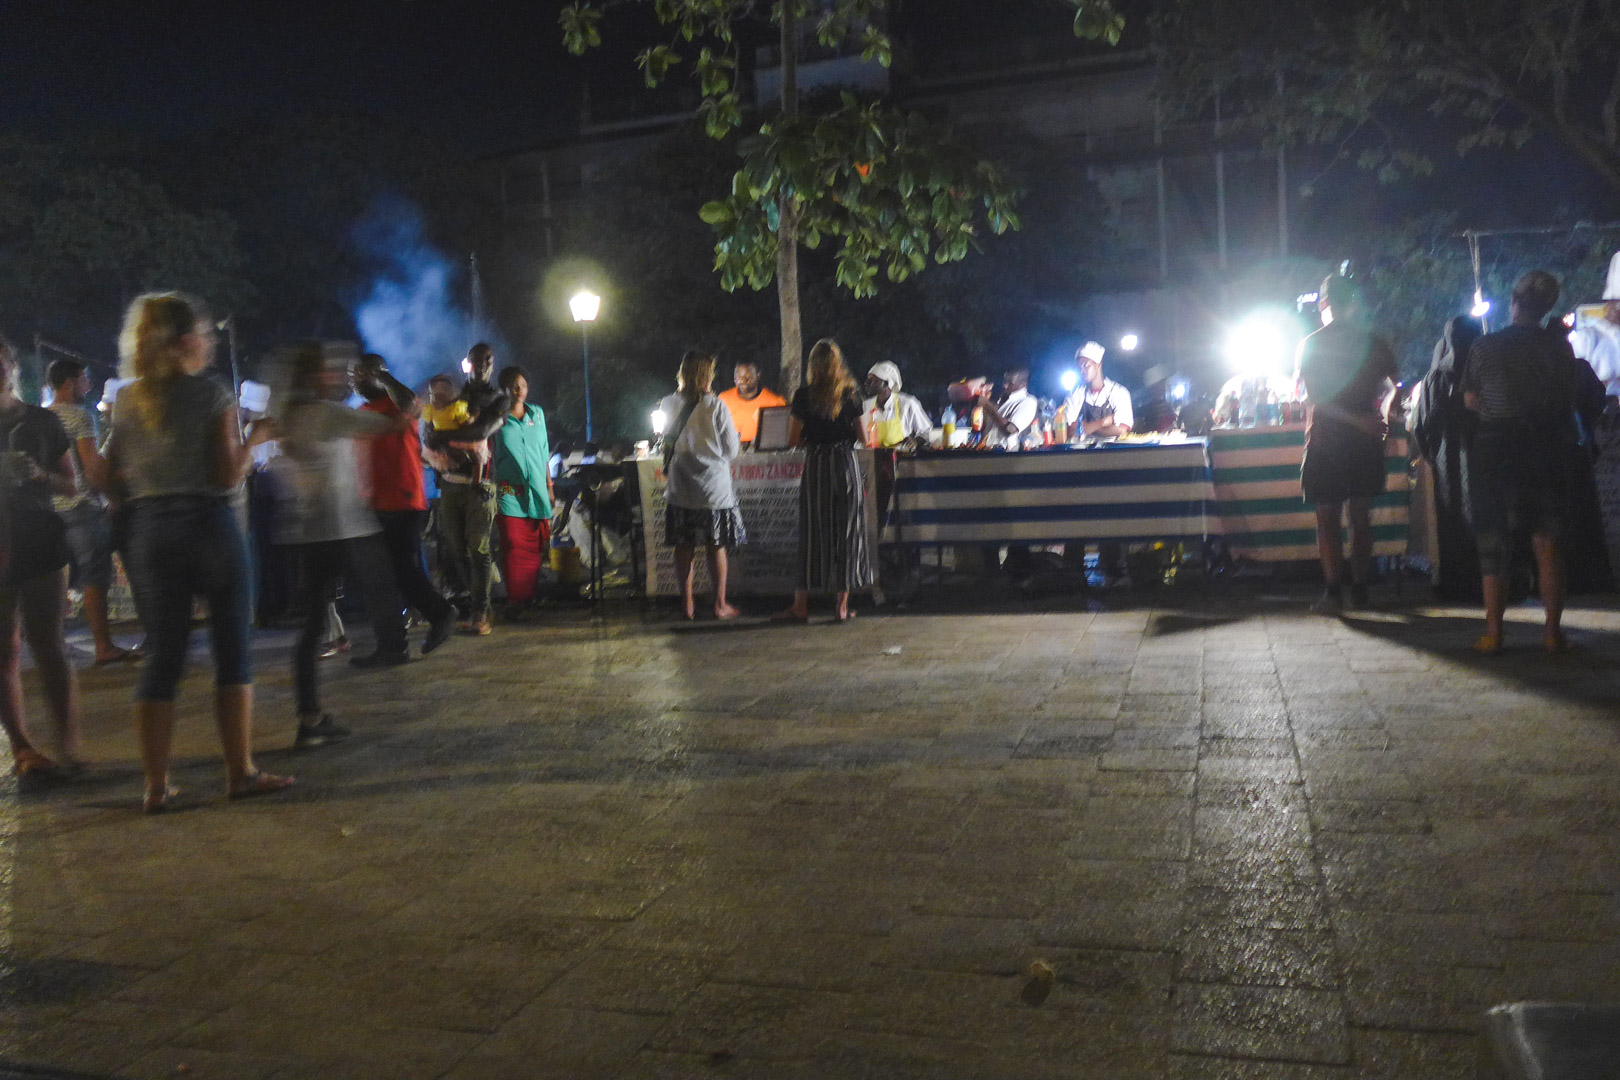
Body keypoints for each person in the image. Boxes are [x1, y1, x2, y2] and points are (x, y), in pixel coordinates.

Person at [104, 294, 291, 811]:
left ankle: (156, 785)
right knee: (232, 649)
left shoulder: (127, 400)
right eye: (205, 333)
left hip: (150, 532)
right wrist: (256, 438)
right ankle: (240, 772)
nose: (209, 342)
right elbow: (227, 474)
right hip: (209, 526)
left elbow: (106, 473)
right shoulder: (210, 395)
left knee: (163, 656)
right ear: (185, 341)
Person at [274, 341, 412, 748]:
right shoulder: (327, 415)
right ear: (312, 376)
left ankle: (309, 714)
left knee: (312, 625)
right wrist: (390, 387)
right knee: (378, 585)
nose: (335, 376)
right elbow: (395, 424)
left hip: (311, 529)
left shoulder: (292, 416)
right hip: (340, 528)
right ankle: (310, 717)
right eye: (326, 370)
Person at [1463, 270, 1598, 655]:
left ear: (1514, 301)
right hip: (1549, 447)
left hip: (1497, 450)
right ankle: (1553, 633)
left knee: (1495, 543)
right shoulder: (1561, 349)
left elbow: (1471, 400)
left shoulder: (1486, 347)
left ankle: (1494, 633)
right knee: (1548, 541)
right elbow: (1571, 396)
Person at [0, 336, 83, 782]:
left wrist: (38, 474)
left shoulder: (42, 421)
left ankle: (68, 743)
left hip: (39, 539)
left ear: (11, 366)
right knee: (3, 650)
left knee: (48, 643)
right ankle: (23, 748)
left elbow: (72, 485)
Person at [1296, 274, 1399, 613]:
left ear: (1323, 304)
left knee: (1327, 516)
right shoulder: (1373, 341)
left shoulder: (1312, 343)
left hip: (1327, 440)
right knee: (1360, 515)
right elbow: (1394, 387)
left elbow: (1315, 399)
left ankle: (1333, 591)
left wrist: (1369, 420)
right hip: (1362, 441)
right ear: (1353, 303)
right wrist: (1378, 420)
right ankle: (1359, 588)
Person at [354, 353, 454, 654]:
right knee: (390, 575)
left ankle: (440, 613)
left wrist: (382, 376)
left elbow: (411, 401)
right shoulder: (364, 410)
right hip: (377, 502)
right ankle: (393, 644)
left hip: (402, 500)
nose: (354, 380)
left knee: (403, 572)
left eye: (359, 374)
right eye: (352, 375)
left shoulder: (398, 405)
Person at [45, 358, 134, 664]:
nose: (87, 385)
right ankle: (103, 645)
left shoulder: (41, 418)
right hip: (81, 508)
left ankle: (54, 644)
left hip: (49, 511)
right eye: (83, 379)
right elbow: (92, 466)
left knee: (57, 578)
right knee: (95, 576)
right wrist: (113, 496)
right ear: (69, 383)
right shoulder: (80, 417)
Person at [779, 339, 871, 621]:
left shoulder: (803, 396)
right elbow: (864, 439)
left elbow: (793, 440)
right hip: (845, 464)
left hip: (817, 465)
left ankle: (801, 605)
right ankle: (841, 607)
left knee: (813, 531)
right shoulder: (851, 394)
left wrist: (813, 437)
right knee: (847, 532)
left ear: (812, 366)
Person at [423, 344, 509, 636]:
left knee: (479, 548)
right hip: (450, 483)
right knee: (458, 550)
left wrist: (440, 436)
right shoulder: (458, 394)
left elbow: (481, 431)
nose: (482, 365)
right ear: (469, 364)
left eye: (487, 360)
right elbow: (431, 422)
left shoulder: (499, 398)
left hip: (481, 484)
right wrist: (433, 436)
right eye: (477, 360)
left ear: (492, 364)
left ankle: (481, 612)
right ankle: (479, 602)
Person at [658, 350, 744, 620]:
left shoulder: (667, 404)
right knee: (715, 546)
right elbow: (732, 450)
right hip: (713, 491)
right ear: (707, 376)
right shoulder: (716, 405)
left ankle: (688, 606)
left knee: (684, 547)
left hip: (681, 488)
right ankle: (719, 605)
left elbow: (664, 442)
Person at [491, 365, 554, 615]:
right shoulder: (496, 419)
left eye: (523, 385)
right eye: (514, 386)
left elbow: (544, 451)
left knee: (536, 545)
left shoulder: (537, 414)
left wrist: (550, 485)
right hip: (508, 491)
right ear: (504, 389)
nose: (519, 390)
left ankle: (528, 598)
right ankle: (516, 600)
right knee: (513, 544)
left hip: (537, 490)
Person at [1063, 342, 1134, 440]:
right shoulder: (1074, 395)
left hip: (1113, 451)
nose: (1082, 370)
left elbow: (1121, 430)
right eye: (1079, 367)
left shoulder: (1119, 392)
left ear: (1098, 365)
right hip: (1081, 452)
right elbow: (1070, 429)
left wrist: (1086, 428)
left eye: (1086, 365)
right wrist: (1103, 422)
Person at [862, 362, 932, 449]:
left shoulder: (907, 404)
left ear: (887, 384)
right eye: (868, 380)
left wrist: (915, 441)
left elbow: (925, 432)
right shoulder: (866, 405)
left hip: (902, 459)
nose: (867, 383)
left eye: (873, 380)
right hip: (875, 459)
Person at [717, 360, 786, 446]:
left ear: (758, 376)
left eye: (747, 377)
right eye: (738, 377)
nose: (742, 381)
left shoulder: (775, 402)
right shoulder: (723, 399)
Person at [981, 366, 1040, 450]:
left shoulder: (1028, 401)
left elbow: (1010, 430)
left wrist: (988, 406)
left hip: (1007, 455)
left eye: (1010, 383)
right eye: (1004, 381)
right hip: (986, 451)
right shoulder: (1000, 399)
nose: (1005, 385)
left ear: (1023, 383)